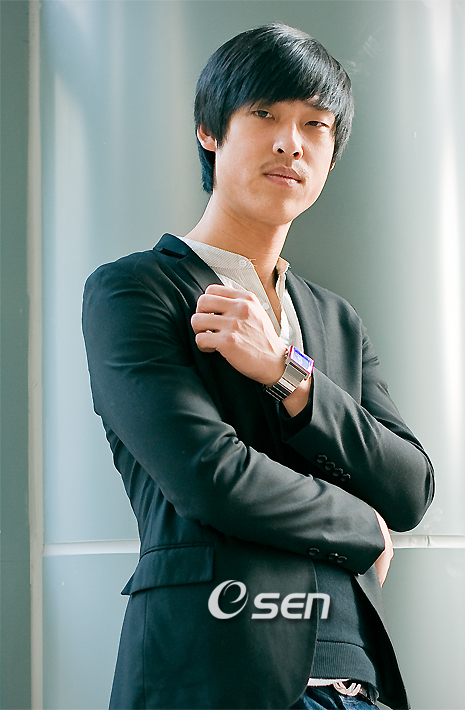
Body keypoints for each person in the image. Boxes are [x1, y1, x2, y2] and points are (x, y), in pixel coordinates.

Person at [82, 24, 434, 710]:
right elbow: (209, 476)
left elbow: (409, 487)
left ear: (331, 155)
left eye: (315, 125)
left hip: (354, 680)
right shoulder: (135, 291)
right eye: (265, 113)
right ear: (209, 131)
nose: (290, 143)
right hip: (212, 669)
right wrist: (361, 527)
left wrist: (287, 373)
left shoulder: (335, 319)